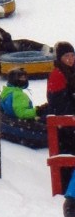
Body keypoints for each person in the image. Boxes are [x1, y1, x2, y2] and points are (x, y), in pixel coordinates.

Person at [45, 42, 75, 194]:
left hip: (69, 123)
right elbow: (59, 103)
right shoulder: (58, 75)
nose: (70, 59)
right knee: (66, 156)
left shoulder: (70, 72)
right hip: (63, 125)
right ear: (60, 58)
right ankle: (65, 191)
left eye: (72, 55)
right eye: (66, 56)